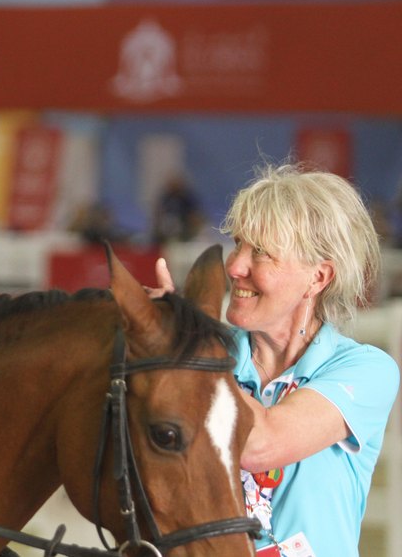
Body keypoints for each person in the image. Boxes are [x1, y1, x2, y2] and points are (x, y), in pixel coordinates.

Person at [152, 163, 399, 556]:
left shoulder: (366, 370)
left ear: (318, 278)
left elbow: (261, 445)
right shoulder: (210, 355)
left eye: (262, 253)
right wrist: (156, 347)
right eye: (238, 244)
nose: (234, 266)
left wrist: (179, 350)